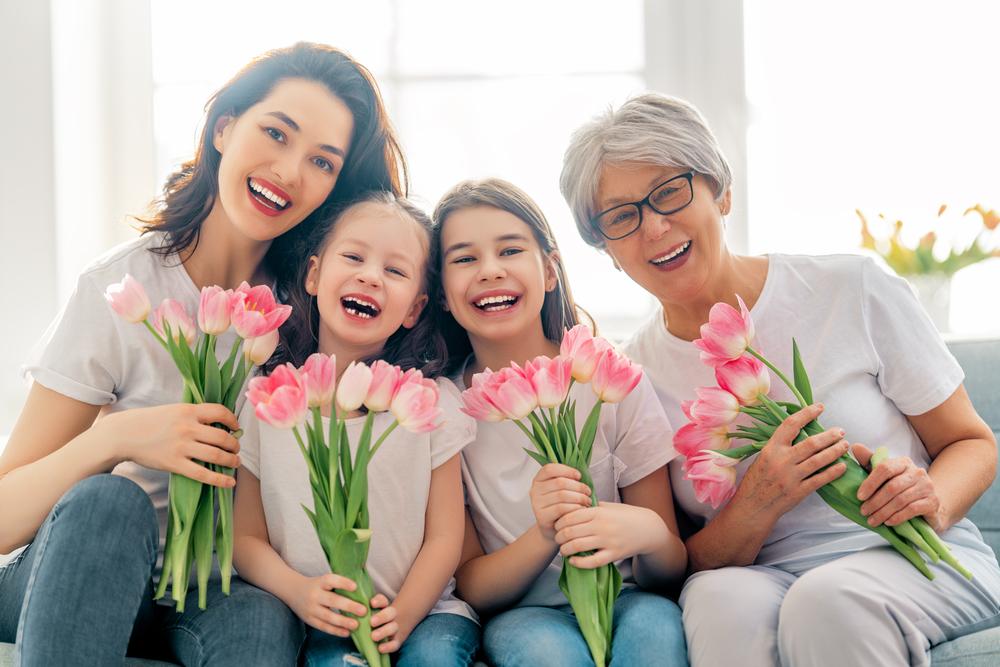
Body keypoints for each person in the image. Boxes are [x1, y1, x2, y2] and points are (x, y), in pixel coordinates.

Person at [0, 42, 406, 666]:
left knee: (260, 617)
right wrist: (119, 438)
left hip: (213, 586)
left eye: (322, 162)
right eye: (275, 132)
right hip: (87, 561)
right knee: (110, 501)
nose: (290, 171)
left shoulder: (320, 302)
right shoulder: (123, 289)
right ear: (224, 128)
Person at [559, 91, 1000, 666]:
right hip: (759, 575)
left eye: (670, 191)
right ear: (607, 250)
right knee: (716, 599)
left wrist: (931, 500)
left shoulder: (851, 289)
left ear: (721, 192)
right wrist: (755, 502)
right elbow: (675, 561)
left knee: (828, 599)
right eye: (621, 216)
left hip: (915, 555)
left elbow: (972, 443)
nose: (655, 227)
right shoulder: (629, 376)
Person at [429, 178, 688, 667]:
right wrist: (545, 534)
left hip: (629, 597)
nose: (489, 270)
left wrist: (649, 534)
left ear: (549, 271)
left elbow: (669, 565)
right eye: (464, 259)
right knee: (549, 655)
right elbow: (472, 585)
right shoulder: (444, 406)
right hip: (527, 614)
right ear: (441, 293)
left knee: (656, 632)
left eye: (510, 250)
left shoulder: (609, 376)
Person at [233, 192, 480, 666]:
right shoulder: (267, 396)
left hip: (426, 614)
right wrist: (300, 593)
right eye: (353, 257)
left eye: (395, 270)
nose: (370, 275)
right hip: (319, 619)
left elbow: (445, 538)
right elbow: (246, 539)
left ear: (414, 308)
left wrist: (405, 614)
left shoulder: (427, 400)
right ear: (313, 275)